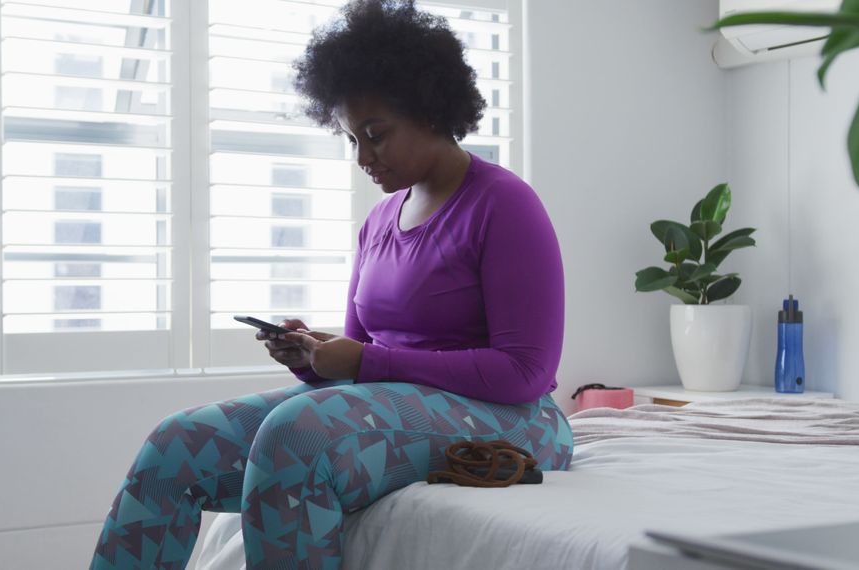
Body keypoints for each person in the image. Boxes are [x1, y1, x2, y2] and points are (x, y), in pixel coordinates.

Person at [90, 1, 571, 568]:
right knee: (177, 444)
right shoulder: (378, 222)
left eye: (377, 134)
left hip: (515, 418)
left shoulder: (504, 204)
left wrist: (366, 364)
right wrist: (313, 356)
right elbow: (361, 361)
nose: (363, 157)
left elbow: (525, 372)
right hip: (405, 404)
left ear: (432, 111)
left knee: (299, 434)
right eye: (351, 139)